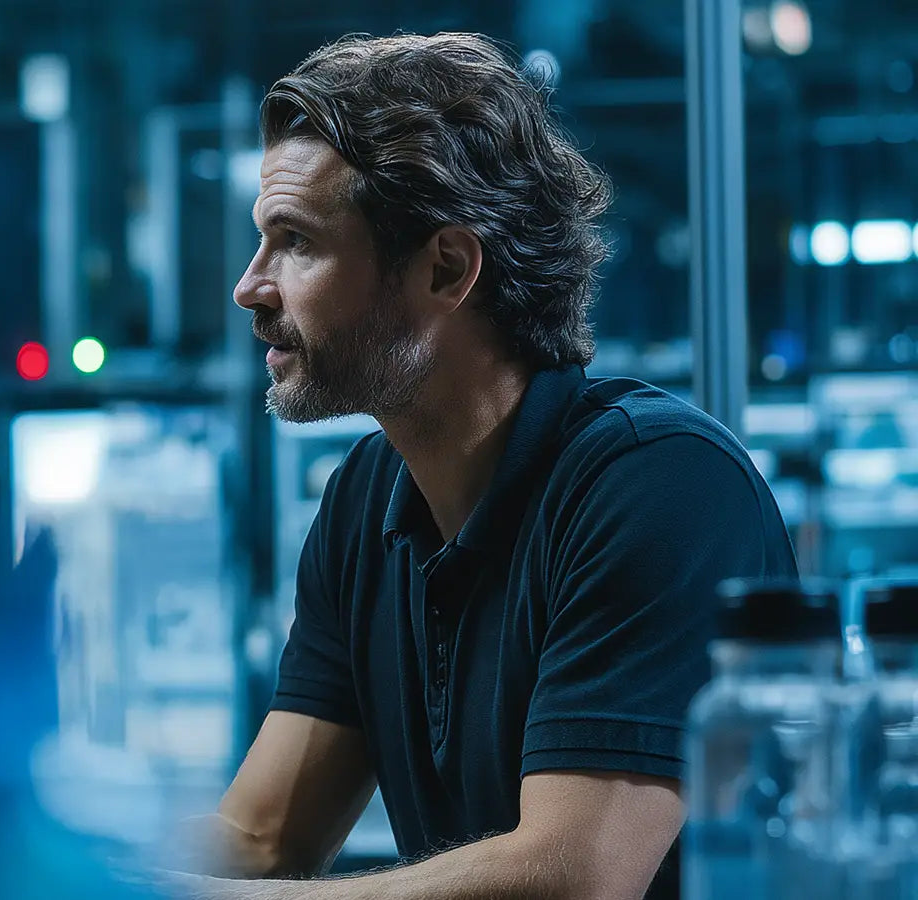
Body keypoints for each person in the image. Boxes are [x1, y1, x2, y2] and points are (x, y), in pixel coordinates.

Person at [165, 33, 796, 900]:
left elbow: (575, 876)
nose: (250, 285)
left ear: (448, 268)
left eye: (295, 242)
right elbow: (262, 833)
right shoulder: (364, 501)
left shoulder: (661, 485)